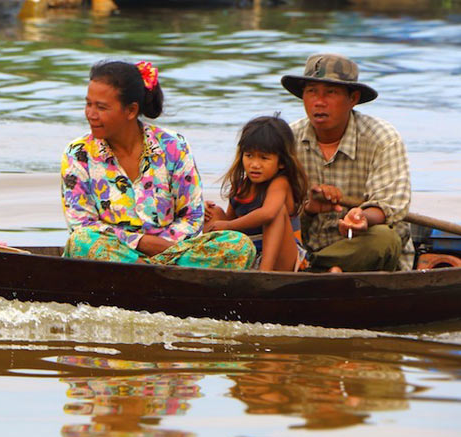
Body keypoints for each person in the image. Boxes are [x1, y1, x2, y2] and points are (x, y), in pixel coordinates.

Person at [61, 60, 255, 268]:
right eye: (88, 104)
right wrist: (142, 243)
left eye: (101, 107)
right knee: (81, 242)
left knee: (240, 245)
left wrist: (164, 251)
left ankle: (151, 273)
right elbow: (81, 224)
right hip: (115, 256)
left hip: (172, 253)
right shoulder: (78, 153)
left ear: (131, 110)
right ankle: (157, 274)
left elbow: (192, 216)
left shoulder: (173, 146)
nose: (91, 114)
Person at [280, 53, 413, 272]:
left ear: (353, 99)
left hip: (359, 250)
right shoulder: (288, 139)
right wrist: (310, 209)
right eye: (312, 91)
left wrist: (361, 217)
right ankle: (314, 266)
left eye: (330, 93)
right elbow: (277, 211)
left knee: (383, 238)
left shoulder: (382, 138)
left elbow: (390, 205)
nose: (319, 102)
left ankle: (313, 269)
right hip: (305, 246)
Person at [204, 115, 309, 271]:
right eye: (249, 156)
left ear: (281, 162)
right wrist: (211, 214)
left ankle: (264, 273)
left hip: (284, 260)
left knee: (275, 212)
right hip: (250, 252)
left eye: (264, 158)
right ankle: (210, 265)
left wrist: (228, 224)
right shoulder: (240, 186)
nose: (255, 164)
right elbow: (231, 226)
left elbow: (268, 213)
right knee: (213, 212)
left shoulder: (280, 183)